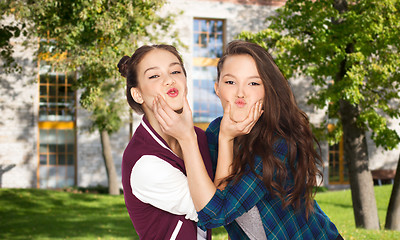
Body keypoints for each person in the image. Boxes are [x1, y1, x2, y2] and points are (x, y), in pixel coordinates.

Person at [154, 40, 342, 239]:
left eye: (253, 83)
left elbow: (216, 213)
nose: (240, 93)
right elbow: (211, 200)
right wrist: (225, 138)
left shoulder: (279, 141)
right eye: (230, 82)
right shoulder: (215, 131)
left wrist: (211, 138)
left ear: (267, 89)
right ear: (217, 89)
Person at [118, 44, 213, 240]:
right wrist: (226, 136)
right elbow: (212, 211)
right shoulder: (143, 162)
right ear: (138, 94)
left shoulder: (198, 137)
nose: (169, 80)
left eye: (175, 71)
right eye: (154, 76)